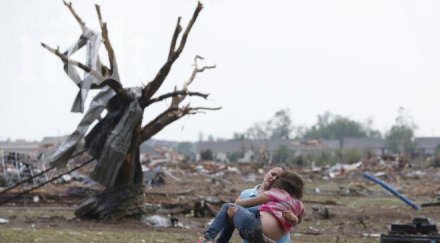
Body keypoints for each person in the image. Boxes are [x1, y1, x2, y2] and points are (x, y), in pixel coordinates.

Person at [198, 171, 305, 243]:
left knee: (227, 207)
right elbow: (298, 221)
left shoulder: (276, 192)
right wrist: (294, 218)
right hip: (269, 240)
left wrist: (238, 201)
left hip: (257, 228)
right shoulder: (299, 204)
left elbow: (247, 203)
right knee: (231, 217)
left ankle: (207, 238)